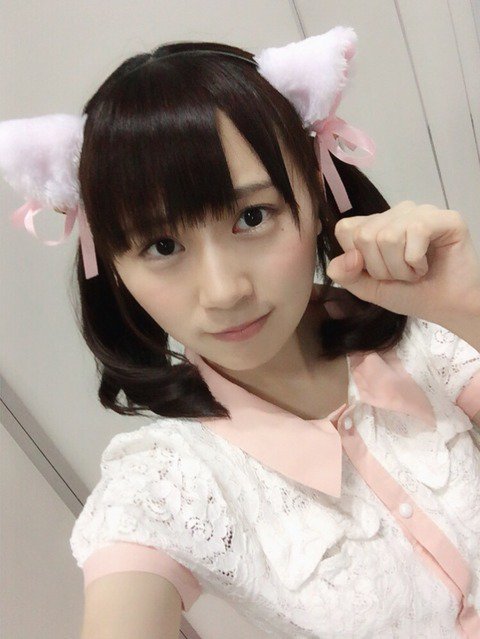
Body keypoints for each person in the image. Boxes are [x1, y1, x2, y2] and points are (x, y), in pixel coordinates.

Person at [2, 27, 480, 639]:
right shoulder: (165, 487)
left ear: (315, 191)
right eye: (162, 246)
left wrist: (467, 306)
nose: (224, 290)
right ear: (114, 267)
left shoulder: (423, 338)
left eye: (252, 216)